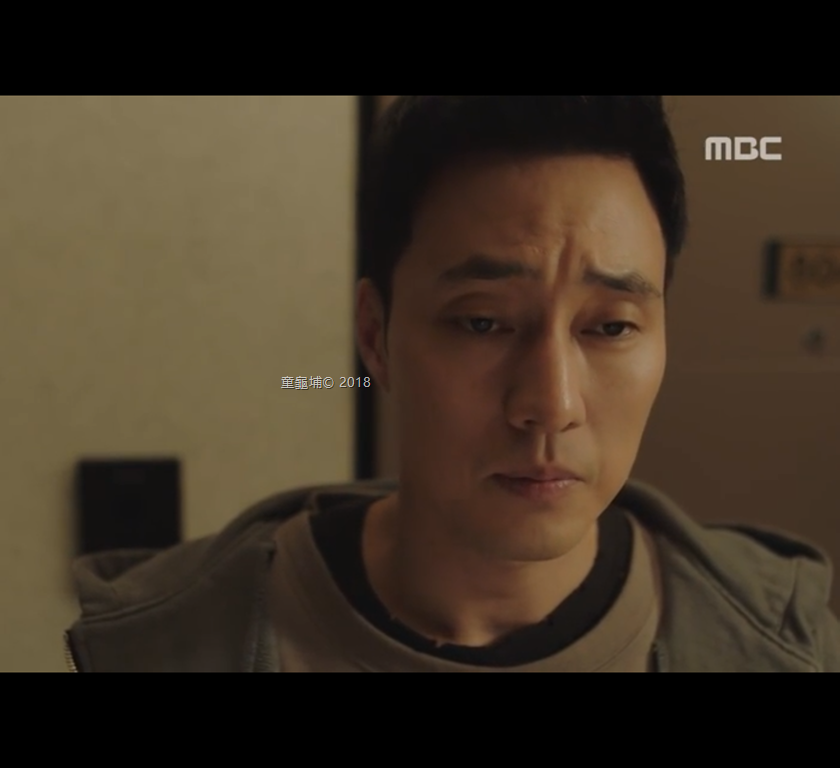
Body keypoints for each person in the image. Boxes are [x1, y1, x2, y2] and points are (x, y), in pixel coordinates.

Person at [64, 96, 840, 672]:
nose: (551, 404)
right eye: (482, 322)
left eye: (609, 328)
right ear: (376, 335)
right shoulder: (173, 644)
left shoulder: (779, 644)